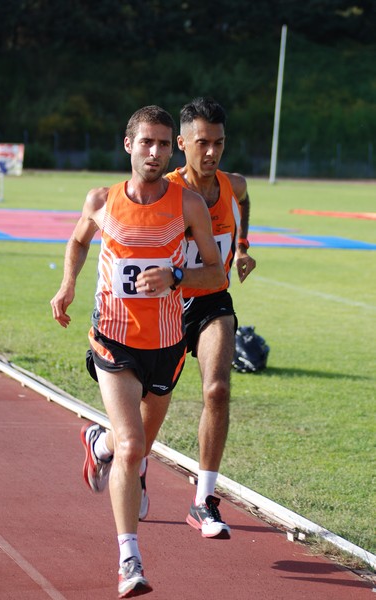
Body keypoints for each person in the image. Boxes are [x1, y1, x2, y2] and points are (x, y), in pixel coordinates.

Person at [50, 105, 225, 598]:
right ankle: (130, 560)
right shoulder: (102, 200)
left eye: (164, 144)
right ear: (128, 145)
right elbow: (79, 240)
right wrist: (67, 286)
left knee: (136, 445)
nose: (155, 151)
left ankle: (96, 444)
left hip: (166, 344)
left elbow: (216, 274)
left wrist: (175, 277)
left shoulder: (187, 204)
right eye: (146, 142)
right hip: (113, 338)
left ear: (172, 150)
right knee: (133, 448)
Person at [146, 97, 256, 540]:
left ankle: (203, 500)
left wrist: (243, 245)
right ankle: (118, 455)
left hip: (213, 300)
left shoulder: (232, 184)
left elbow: (246, 200)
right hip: (167, 307)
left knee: (217, 388)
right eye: (202, 143)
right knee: (150, 409)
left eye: (219, 143)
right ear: (182, 143)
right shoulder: (165, 190)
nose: (211, 153)